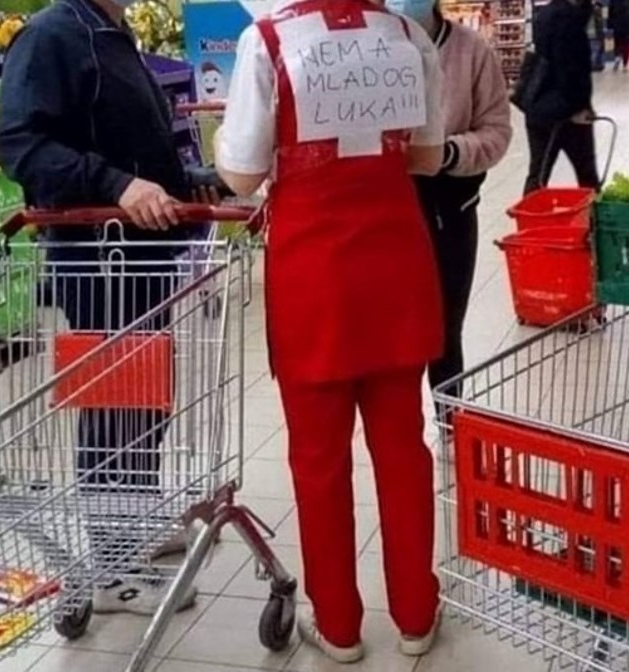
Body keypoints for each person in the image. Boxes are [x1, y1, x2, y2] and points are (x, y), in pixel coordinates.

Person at [215, 0, 444, 663]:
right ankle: (416, 615)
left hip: (314, 272)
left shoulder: (268, 41)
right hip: (395, 266)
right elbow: (428, 158)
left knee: (318, 460)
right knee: (403, 450)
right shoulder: (408, 36)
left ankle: (339, 626)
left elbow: (243, 175)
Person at [0, 0, 202, 615]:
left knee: (145, 399)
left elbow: (138, 151)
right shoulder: (52, 35)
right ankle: (112, 563)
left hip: (141, 255)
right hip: (96, 258)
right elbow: (21, 145)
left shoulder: (111, 33)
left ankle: (134, 522)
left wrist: (193, 182)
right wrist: (116, 185)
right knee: (112, 407)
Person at [385, 0, 511, 394]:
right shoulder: (365, 47)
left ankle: (449, 419)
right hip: (381, 210)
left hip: (449, 208)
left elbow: (496, 130)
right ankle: (397, 425)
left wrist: (449, 152)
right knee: (391, 335)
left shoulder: (472, 51)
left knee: (444, 330)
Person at [523, 0, 600, 195]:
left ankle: (528, 212)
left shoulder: (546, 14)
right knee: (588, 177)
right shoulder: (568, 19)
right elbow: (569, 69)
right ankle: (593, 213)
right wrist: (578, 107)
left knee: (538, 174)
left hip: (539, 105)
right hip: (564, 110)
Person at [608, 0, 629, 71]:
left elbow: (611, 10)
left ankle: (617, 57)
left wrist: (610, 25)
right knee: (627, 44)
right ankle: (625, 64)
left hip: (617, 21)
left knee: (618, 41)